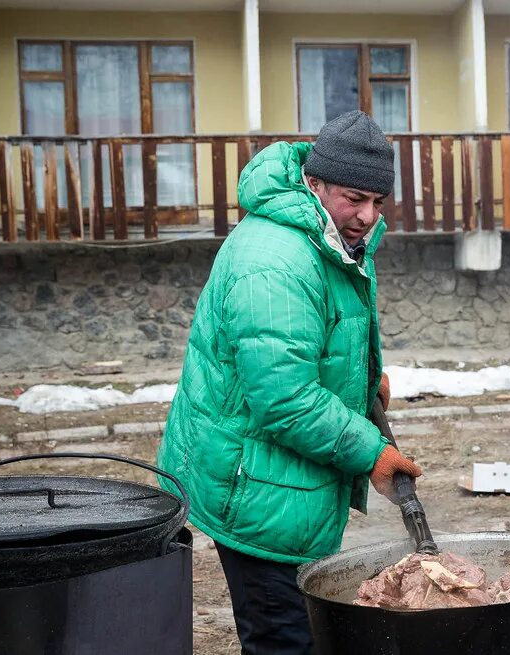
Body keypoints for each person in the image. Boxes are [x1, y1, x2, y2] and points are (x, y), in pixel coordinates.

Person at [156, 110, 422, 655]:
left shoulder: (320, 234)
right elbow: (285, 398)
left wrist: (360, 383)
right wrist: (371, 452)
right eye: (355, 199)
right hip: (252, 485)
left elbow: (311, 343)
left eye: (378, 202)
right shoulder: (275, 261)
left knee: (301, 632)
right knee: (285, 640)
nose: (368, 216)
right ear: (315, 182)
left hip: (277, 478)